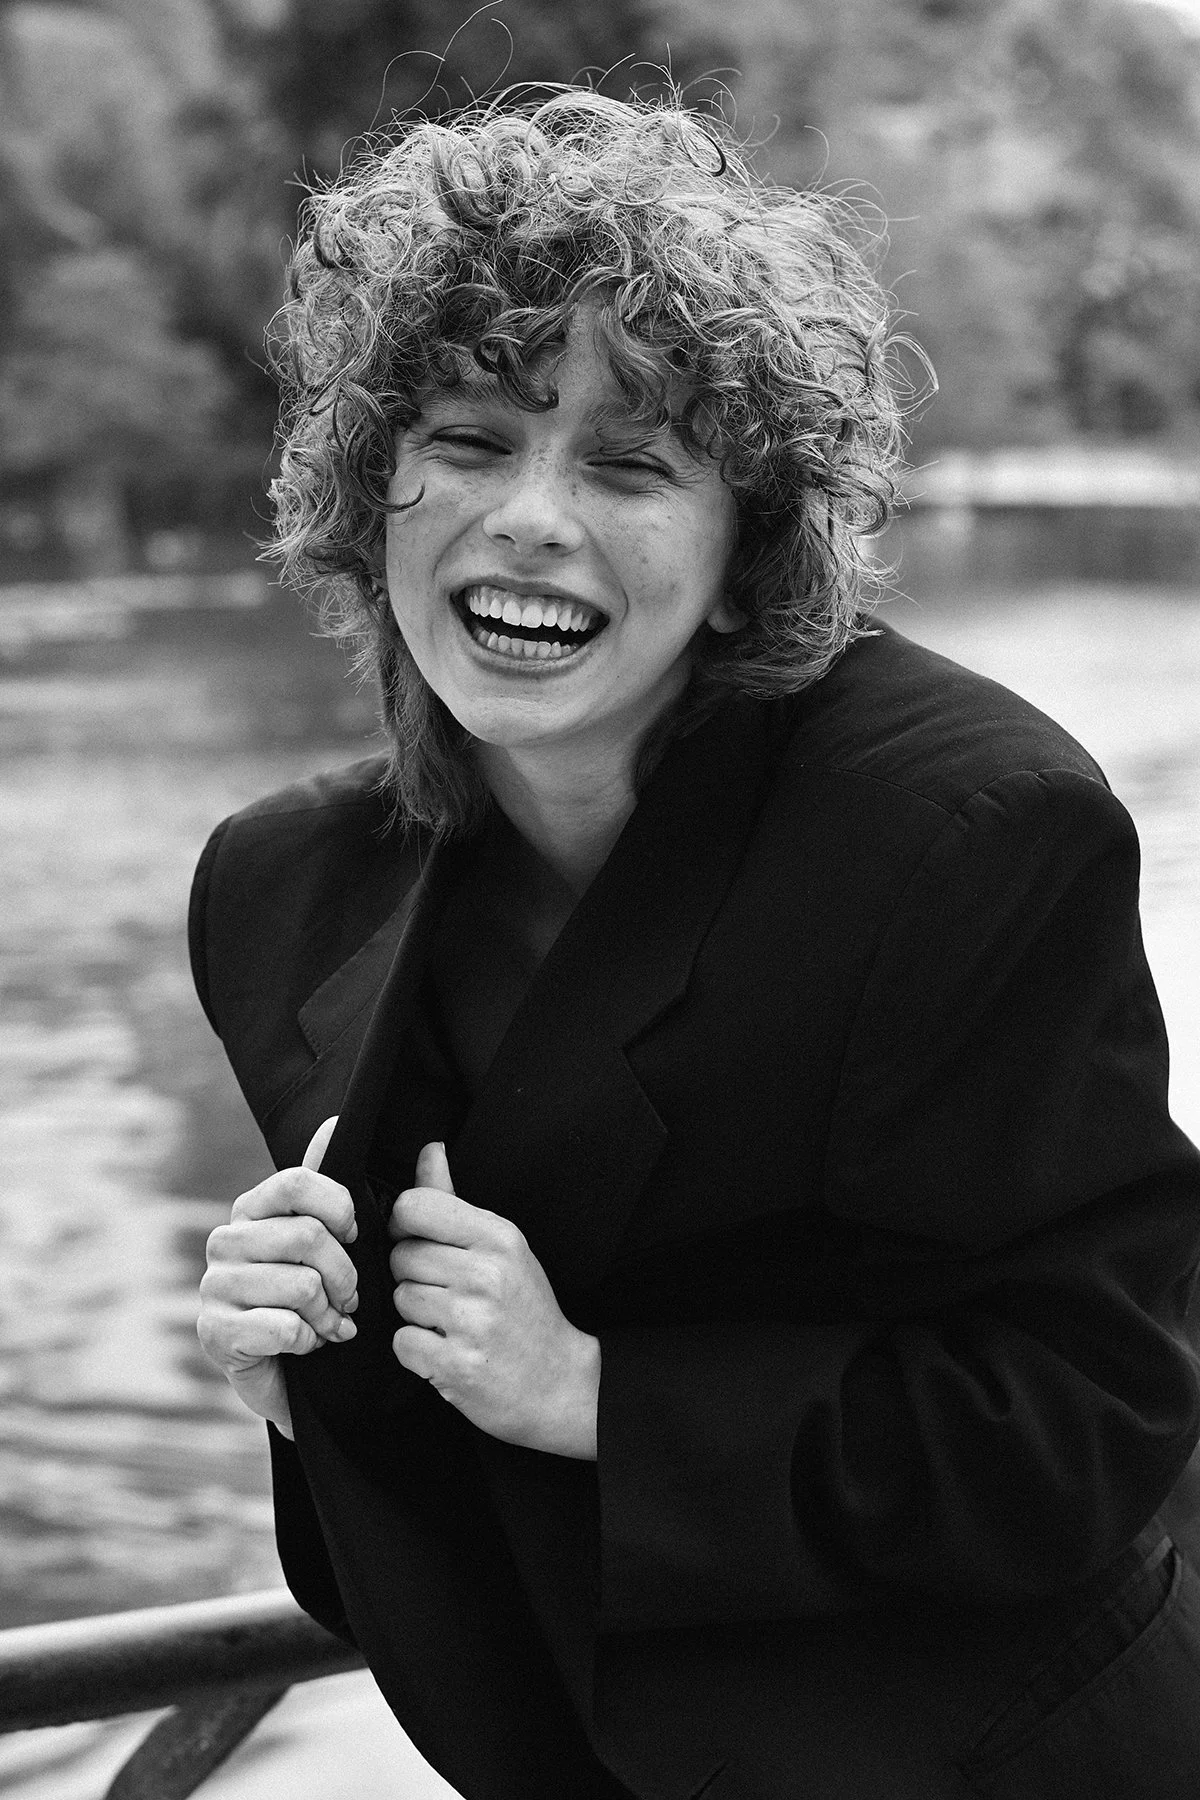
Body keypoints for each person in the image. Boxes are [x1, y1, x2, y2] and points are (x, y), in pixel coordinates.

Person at [193, 88, 1200, 1800]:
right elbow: (410, 1544)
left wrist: (601, 1397)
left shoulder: (965, 836)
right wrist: (303, 1374)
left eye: (628, 463)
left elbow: (1089, 1420)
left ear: (748, 556)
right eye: (467, 439)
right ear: (376, 496)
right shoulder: (278, 893)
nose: (529, 516)